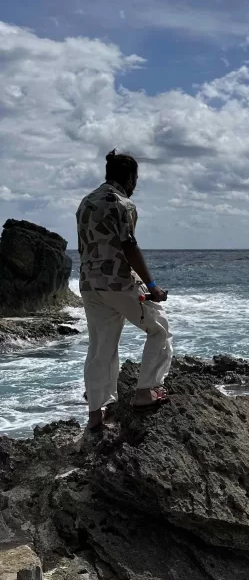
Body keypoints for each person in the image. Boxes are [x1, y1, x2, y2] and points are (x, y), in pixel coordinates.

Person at [76, 150, 172, 428]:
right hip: (118, 282)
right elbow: (128, 245)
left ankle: (97, 412)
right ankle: (147, 390)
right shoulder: (122, 203)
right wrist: (152, 286)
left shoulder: (86, 202)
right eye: (135, 178)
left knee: (100, 347)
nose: (135, 184)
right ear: (129, 177)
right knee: (160, 328)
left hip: (89, 284)